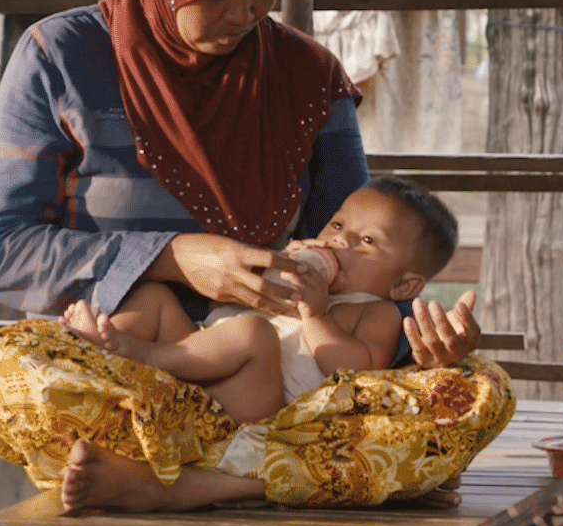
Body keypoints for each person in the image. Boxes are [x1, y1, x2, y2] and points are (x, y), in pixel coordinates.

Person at [0, 0, 509, 514]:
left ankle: (189, 482)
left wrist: (425, 352)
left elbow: (357, 251)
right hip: (126, 376)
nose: (246, 14)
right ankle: (291, 472)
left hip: (281, 392)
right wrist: (171, 257)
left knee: (478, 393)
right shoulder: (60, 57)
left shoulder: (307, 78)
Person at [63, 177, 459, 426]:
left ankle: (138, 356)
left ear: (405, 286)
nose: (341, 240)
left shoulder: (375, 311)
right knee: (154, 296)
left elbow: (357, 372)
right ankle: (103, 355)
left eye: (368, 241)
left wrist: (317, 314)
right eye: (338, 224)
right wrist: (281, 264)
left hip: (254, 406)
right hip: (201, 362)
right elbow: (237, 299)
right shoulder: (298, 268)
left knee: (254, 333)